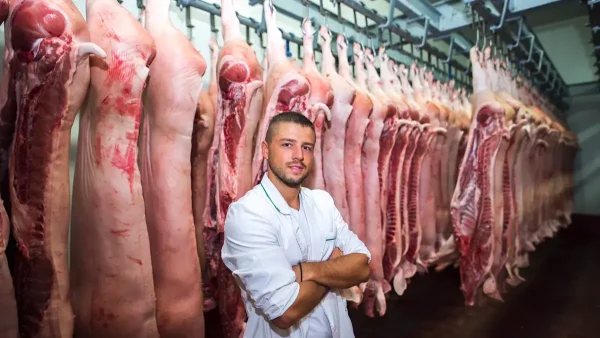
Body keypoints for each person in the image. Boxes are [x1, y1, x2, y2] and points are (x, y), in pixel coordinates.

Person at [221, 111, 371, 337]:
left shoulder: (323, 203)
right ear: (265, 149)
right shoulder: (248, 214)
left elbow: (362, 267)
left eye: (307, 147)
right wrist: (335, 266)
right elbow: (286, 311)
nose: (298, 155)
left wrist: (306, 270)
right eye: (287, 145)